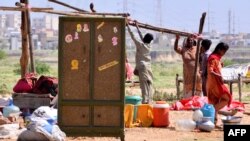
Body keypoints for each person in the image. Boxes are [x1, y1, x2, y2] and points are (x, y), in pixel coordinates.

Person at [126, 20, 154, 104]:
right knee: (149, 83)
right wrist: (137, 27)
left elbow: (133, 36)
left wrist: (127, 26)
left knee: (144, 84)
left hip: (142, 67)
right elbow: (142, 37)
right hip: (148, 67)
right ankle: (149, 100)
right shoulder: (149, 45)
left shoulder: (140, 45)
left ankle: (145, 101)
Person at [206, 42, 233, 125]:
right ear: (219, 49)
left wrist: (220, 64)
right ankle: (213, 110)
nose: (224, 53)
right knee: (226, 98)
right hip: (215, 83)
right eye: (224, 51)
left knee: (215, 100)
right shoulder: (213, 58)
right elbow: (210, 71)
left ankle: (213, 120)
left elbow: (215, 67)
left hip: (211, 83)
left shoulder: (216, 58)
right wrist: (219, 76)